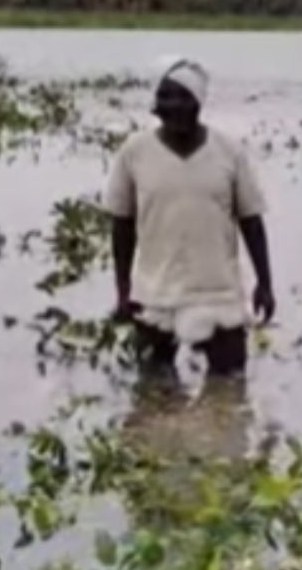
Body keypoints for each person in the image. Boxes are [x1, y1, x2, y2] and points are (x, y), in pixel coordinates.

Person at [107, 58, 276, 378]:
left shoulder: (229, 152)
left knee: (230, 389)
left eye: (183, 98)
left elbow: (251, 221)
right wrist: (123, 290)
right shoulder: (134, 152)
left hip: (219, 295)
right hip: (154, 297)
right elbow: (122, 225)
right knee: (152, 394)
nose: (174, 106)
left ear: (198, 103)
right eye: (166, 98)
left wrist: (265, 284)